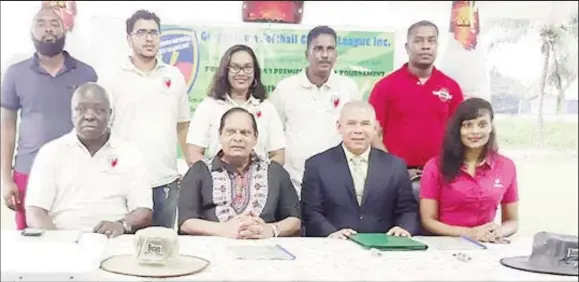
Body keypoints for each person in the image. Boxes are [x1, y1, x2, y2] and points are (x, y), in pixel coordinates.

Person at [1, 8, 98, 230]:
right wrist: (6, 179)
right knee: (31, 242)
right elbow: (6, 127)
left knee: (75, 235)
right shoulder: (16, 73)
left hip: (75, 171)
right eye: (41, 24)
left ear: (65, 30)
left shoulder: (86, 74)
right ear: (31, 31)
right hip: (28, 170)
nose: (48, 29)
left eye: (54, 24)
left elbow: (96, 125)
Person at [25, 83, 152, 236]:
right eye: (81, 109)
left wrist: (122, 225)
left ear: (110, 114)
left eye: (99, 110)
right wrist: (58, 243)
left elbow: (144, 211)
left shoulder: (130, 153)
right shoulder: (51, 152)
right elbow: (35, 211)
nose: (89, 116)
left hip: (114, 240)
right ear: (72, 113)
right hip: (62, 240)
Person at [104, 10, 190, 228]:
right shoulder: (113, 77)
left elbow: (182, 126)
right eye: (141, 32)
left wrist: (192, 168)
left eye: (154, 33)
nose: (149, 38)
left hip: (165, 182)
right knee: (122, 250)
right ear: (129, 38)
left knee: (161, 250)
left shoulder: (174, 76)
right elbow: (102, 130)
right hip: (123, 181)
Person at [301, 101, 418, 239]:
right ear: (339, 127)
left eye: (365, 124)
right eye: (351, 123)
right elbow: (311, 212)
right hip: (334, 245)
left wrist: (403, 228)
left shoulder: (395, 166)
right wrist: (330, 233)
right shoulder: (317, 165)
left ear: (375, 129)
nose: (358, 130)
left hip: (383, 246)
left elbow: (408, 210)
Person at [178, 108, 301, 239]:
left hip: (264, 250)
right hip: (213, 248)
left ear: (255, 138)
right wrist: (222, 229)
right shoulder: (199, 171)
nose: (238, 138)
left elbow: (295, 220)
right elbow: (186, 222)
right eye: (230, 132)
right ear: (220, 135)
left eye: (245, 133)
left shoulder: (275, 172)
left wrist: (270, 229)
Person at [270, 25, 360, 196]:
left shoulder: (348, 88)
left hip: (337, 184)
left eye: (330, 49)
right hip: (293, 183)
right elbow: (274, 135)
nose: (325, 55)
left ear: (336, 54)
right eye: (318, 48)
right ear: (307, 53)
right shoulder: (285, 88)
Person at [368, 20, 464, 179]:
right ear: (407, 47)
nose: (426, 46)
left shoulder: (451, 87)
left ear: (437, 46)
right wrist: (394, 170)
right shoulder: (385, 86)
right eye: (418, 41)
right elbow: (372, 133)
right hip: (396, 177)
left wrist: (447, 168)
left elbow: (460, 134)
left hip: (440, 175)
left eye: (431, 41)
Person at [419, 98, 519, 242]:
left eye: (482, 124)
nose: (475, 131)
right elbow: (428, 221)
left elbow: (512, 221)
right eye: (468, 125)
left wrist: (500, 231)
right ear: (458, 129)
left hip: (487, 244)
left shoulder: (507, 166)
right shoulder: (435, 166)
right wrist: (469, 233)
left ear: (491, 127)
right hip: (445, 243)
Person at [186, 44, 285, 165]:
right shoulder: (208, 106)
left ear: (255, 72)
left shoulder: (266, 108)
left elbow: (278, 155)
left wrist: (259, 176)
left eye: (248, 67)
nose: (242, 73)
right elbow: (193, 154)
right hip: (215, 181)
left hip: (258, 182)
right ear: (225, 71)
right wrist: (216, 175)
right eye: (235, 67)